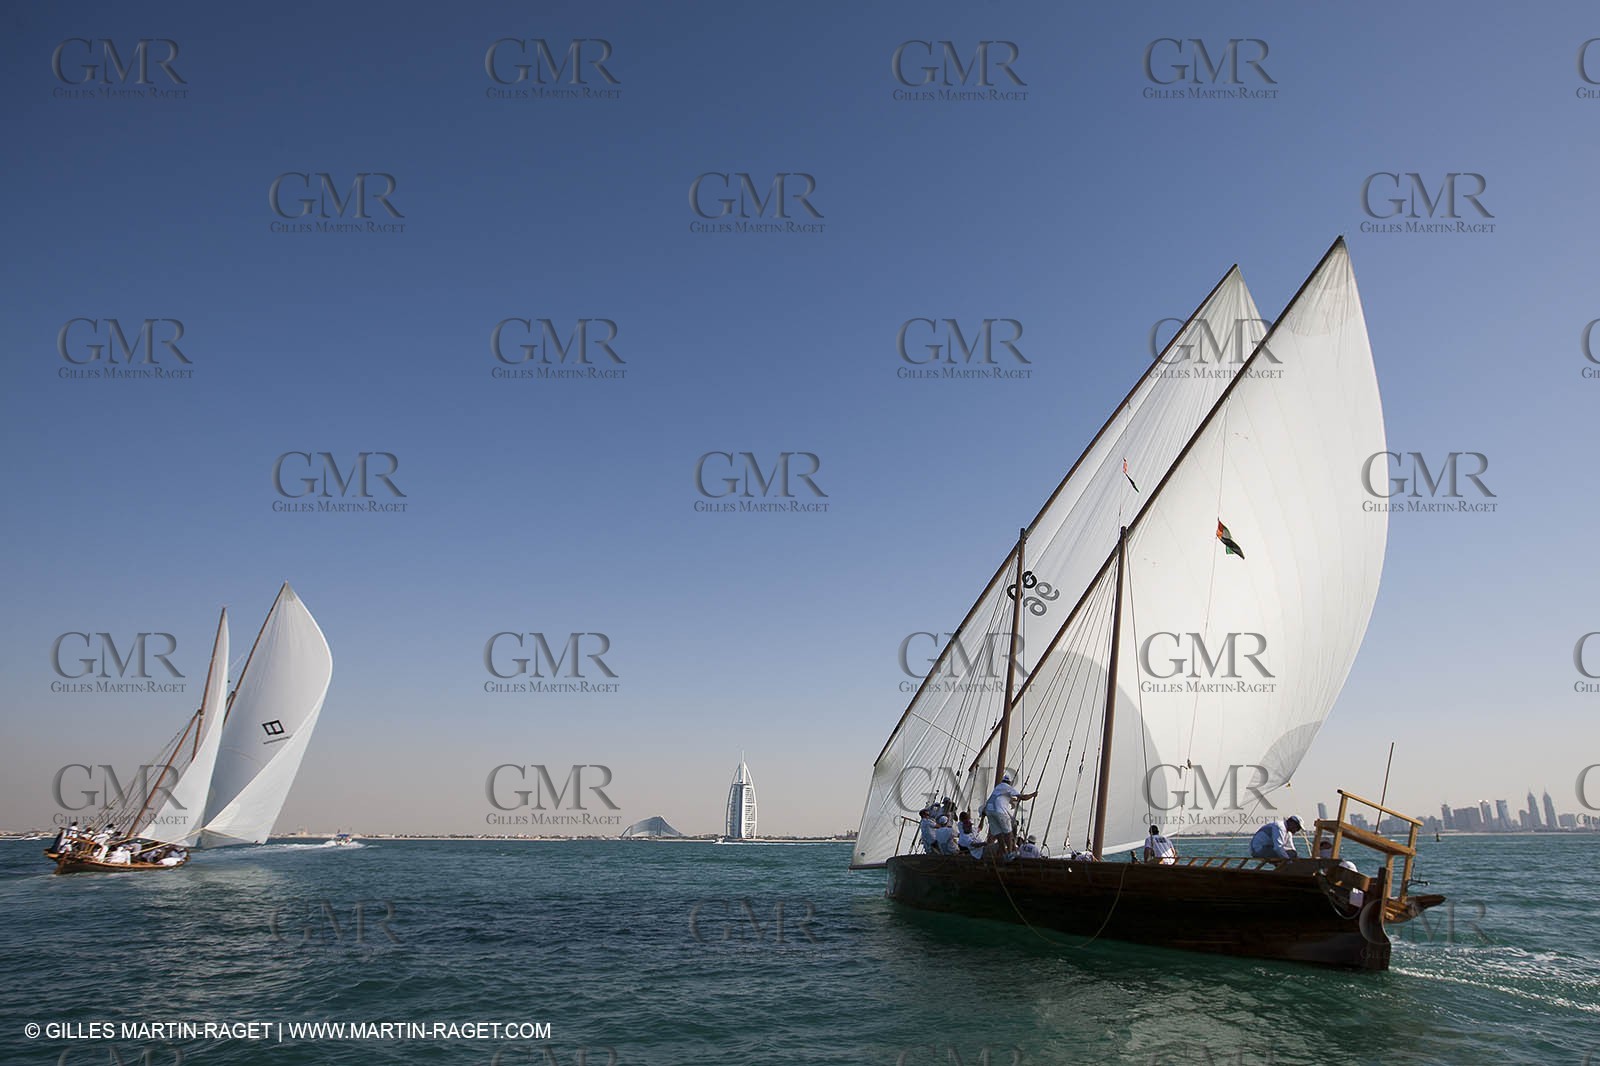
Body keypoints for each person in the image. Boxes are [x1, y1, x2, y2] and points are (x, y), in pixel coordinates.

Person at [981, 773, 1038, 856]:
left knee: (999, 833)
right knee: (1009, 832)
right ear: (1010, 782)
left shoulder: (998, 788)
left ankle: (1004, 852)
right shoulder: (1007, 787)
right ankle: (1010, 853)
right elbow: (1023, 797)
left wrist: (1012, 801)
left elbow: (1003, 797)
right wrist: (1033, 794)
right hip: (999, 812)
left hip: (989, 811)